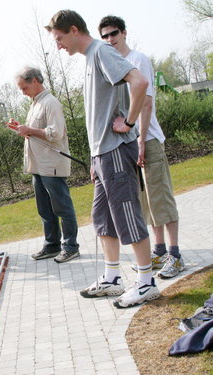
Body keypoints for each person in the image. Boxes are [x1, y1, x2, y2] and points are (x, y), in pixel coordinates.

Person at [45, 10, 160, 308]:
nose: (58, 46)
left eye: (59, 39)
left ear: (73, 30)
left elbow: (140, 83)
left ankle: (146, 281)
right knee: (103, 218)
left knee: (126, 215)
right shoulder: (89, 59)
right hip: (101, 154)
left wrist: (131, 124)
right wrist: (95, 156)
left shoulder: (101, 52)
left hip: (115, 151)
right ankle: (112, 278)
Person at [98, 15, 185, 279]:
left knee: (162, 199)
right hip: (129, 144)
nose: (110, 40)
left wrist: (141, 141)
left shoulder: (138, 60)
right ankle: (158, 251)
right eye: (105, 36)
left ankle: (175, 255)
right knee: (146, 202)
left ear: (124, 33)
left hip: (146, 140)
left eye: (113, 34)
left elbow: (145, 103)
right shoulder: (115, 66)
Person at [9, 66, 80, 263]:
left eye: (24, 88)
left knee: (62, 207)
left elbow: (56, 133)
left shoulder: (51, 103)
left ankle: (71, 246)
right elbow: (35, 131)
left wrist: (29, 130)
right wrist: (22, 129)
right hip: (37, 165)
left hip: (52, 164)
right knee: (44, 208)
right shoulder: (35, 104)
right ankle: (52, 245)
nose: (23, 92)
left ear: (35, 81)